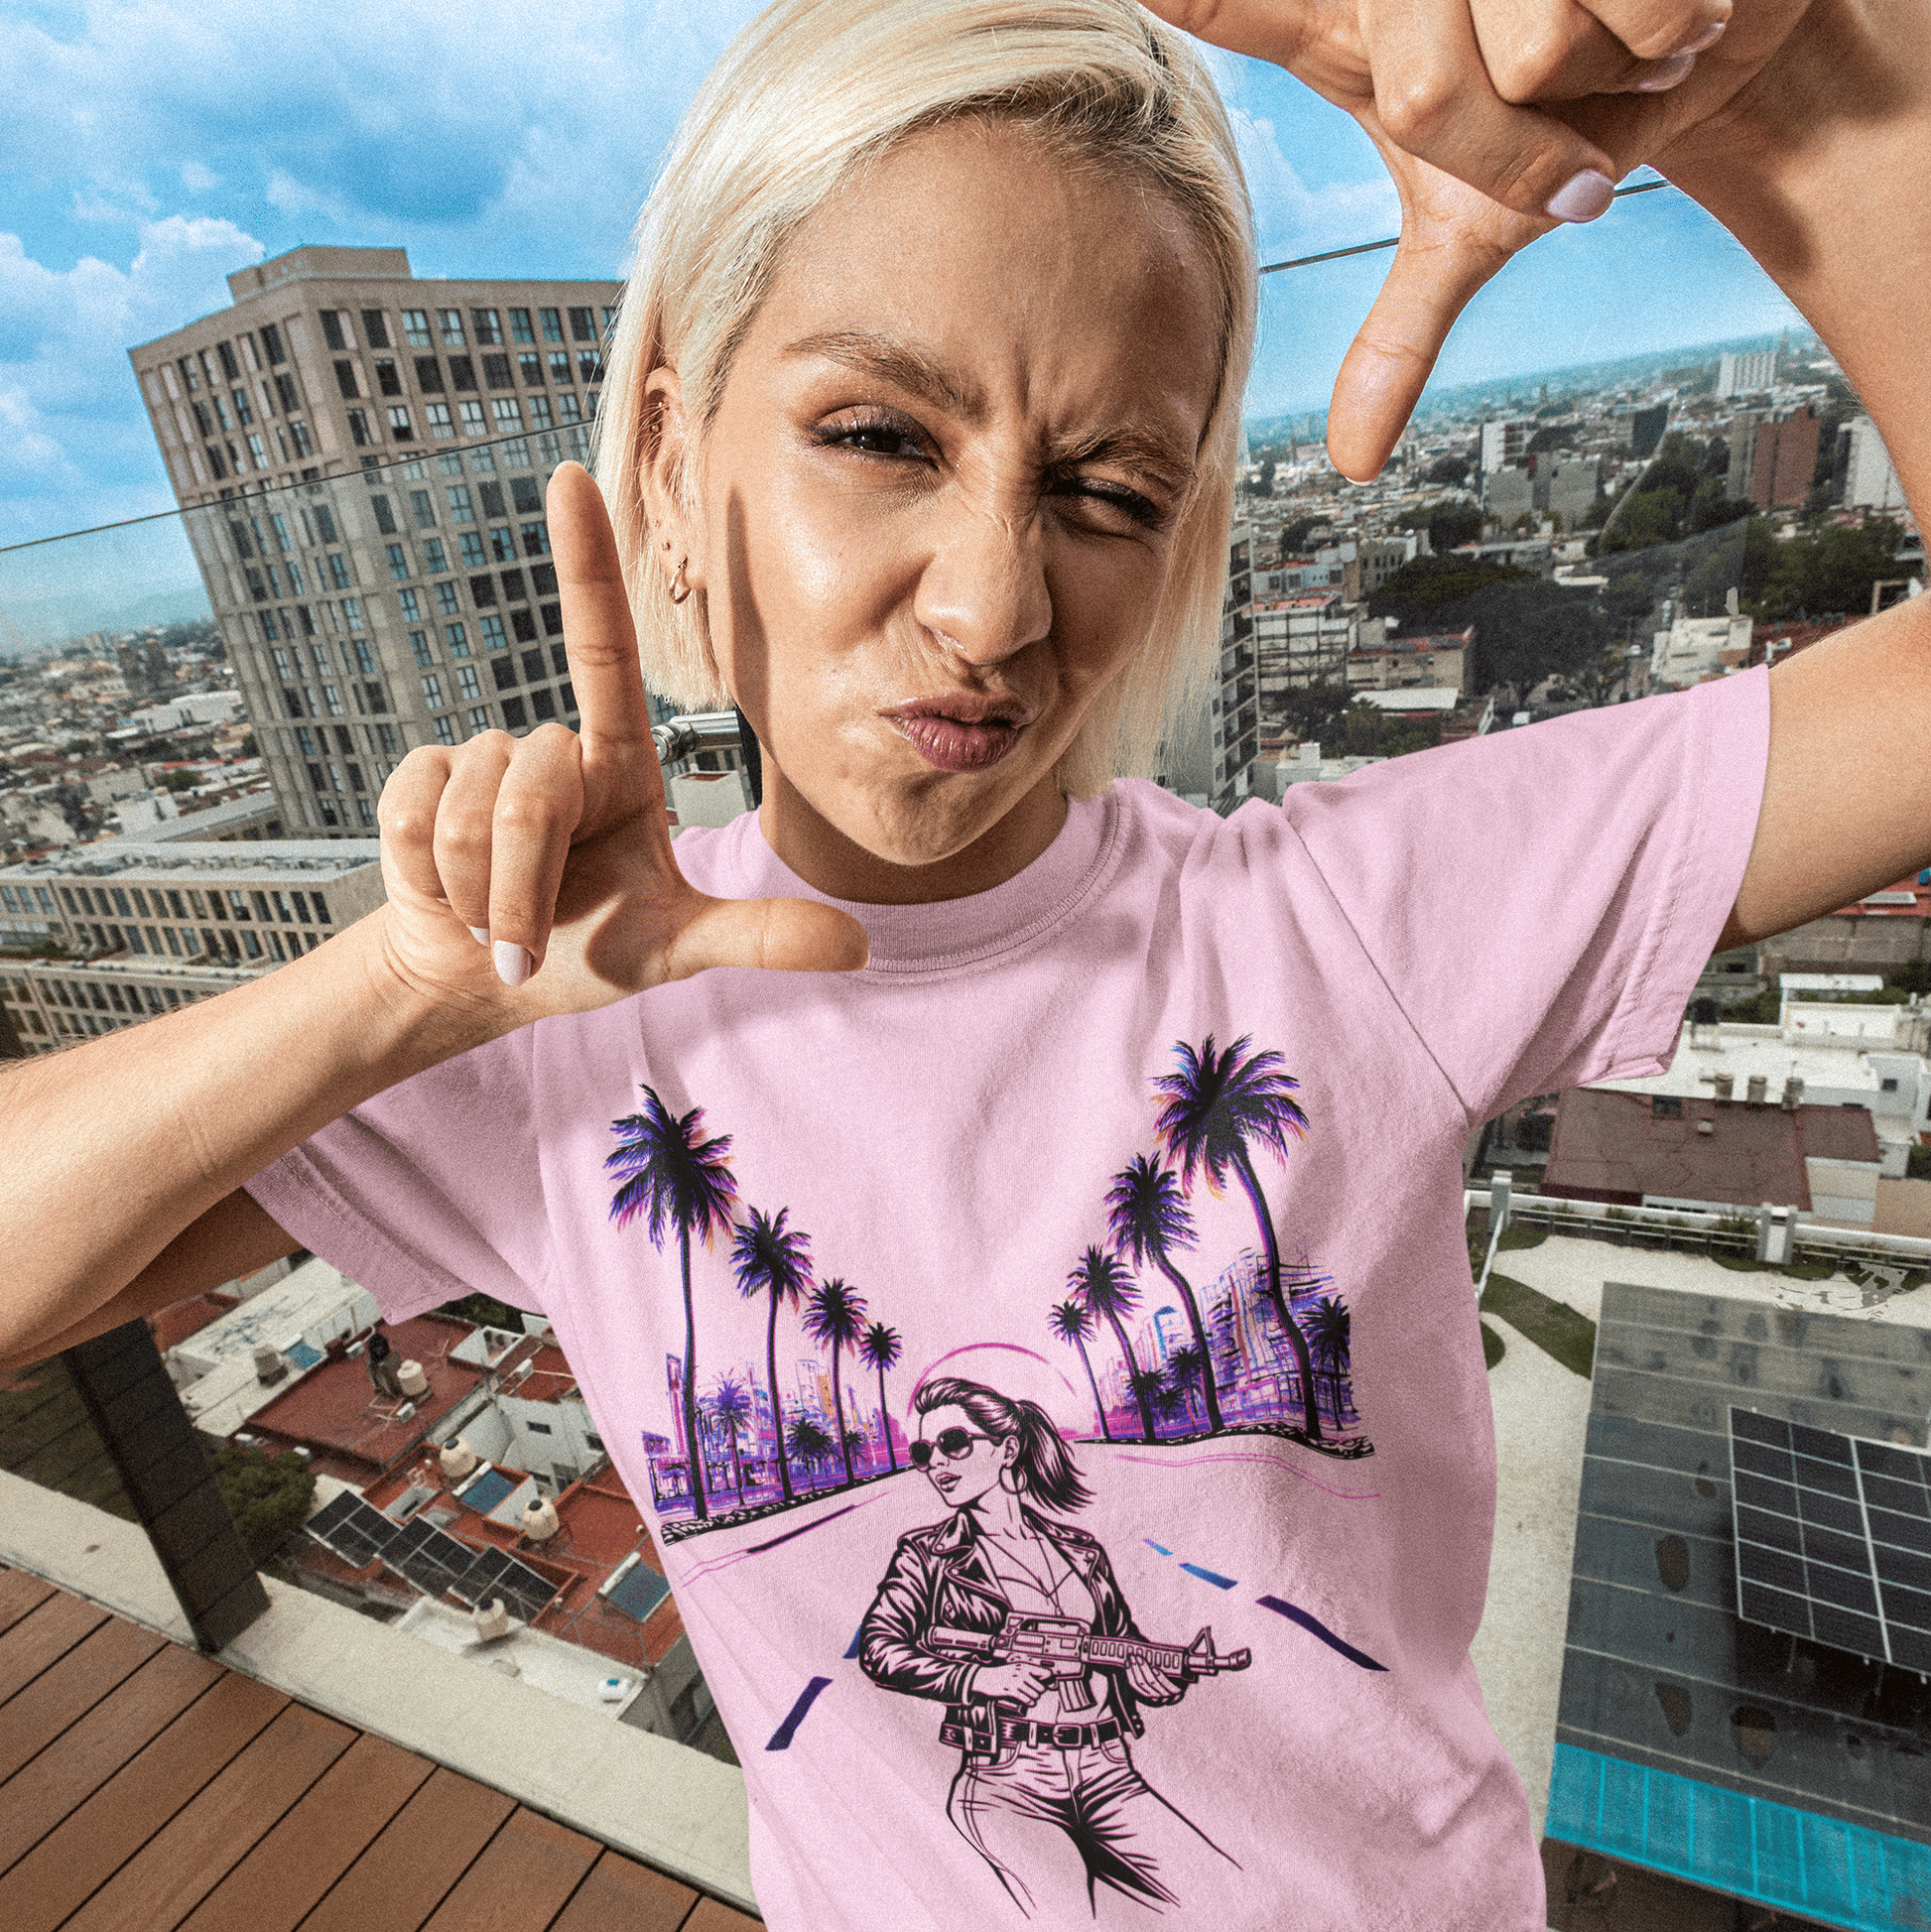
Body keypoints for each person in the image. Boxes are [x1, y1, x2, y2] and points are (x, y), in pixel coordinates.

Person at [4, 0, 1928, 1924]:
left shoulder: (1344, 927)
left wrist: (1802, 108)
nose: (997, 606)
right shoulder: (557, 1036)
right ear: (670, 467)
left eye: (1105, 493)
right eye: (879, 436)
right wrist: (402, 992)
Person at [859, 1373, 1241, 1918]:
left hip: (1109, 1769)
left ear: (1008, 1448)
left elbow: (1122, 1648)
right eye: (925, 1451)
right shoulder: (928, 1553)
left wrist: (1158, 1677)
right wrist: (980, 1679)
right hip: (1007, 1781)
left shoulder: (1081, 1551)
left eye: (953, 1443)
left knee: (1224, 1904)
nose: (937, 1463)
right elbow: (880, 1648)